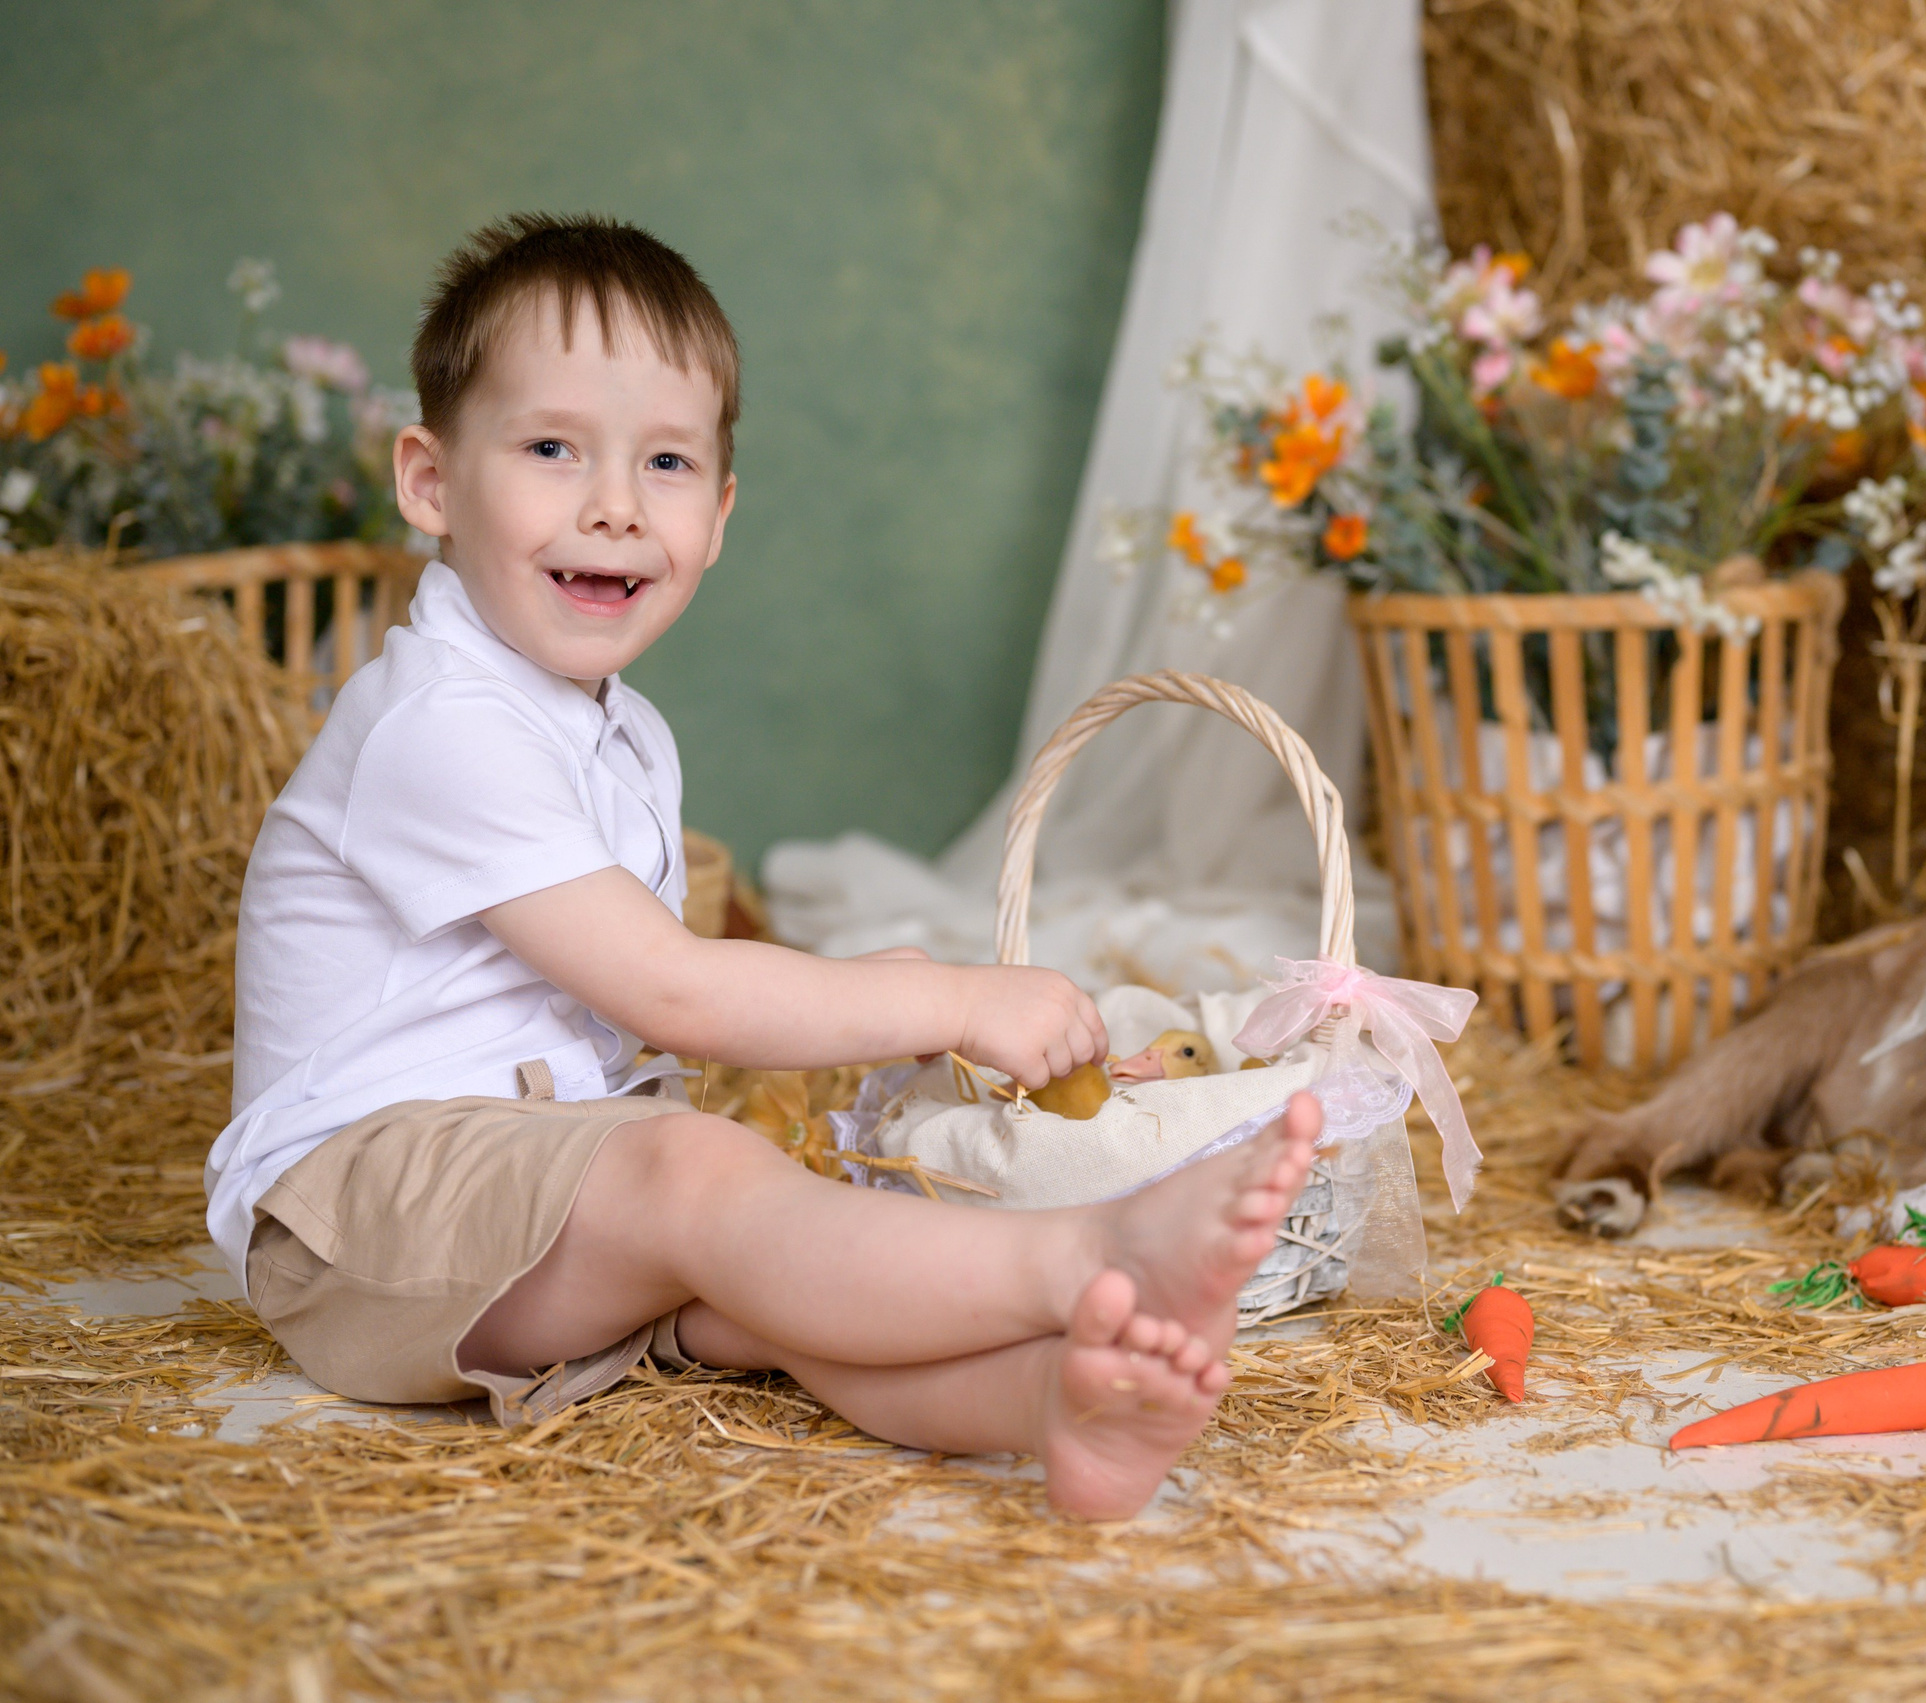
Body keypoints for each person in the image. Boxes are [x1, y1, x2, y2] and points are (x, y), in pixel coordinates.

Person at [206, 213, 1317, 1520]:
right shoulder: (436, 721)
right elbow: (672, 994)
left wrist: (870, 989)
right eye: (552, 447)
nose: (614, 503)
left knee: (774, 1279)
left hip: (537, 1193)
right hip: (358, 1225)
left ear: (719, 514)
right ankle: (1088, 1256)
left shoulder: (618, 732)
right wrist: (945, 998)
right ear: (432, 480)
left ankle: (1050, 1403)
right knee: (700, 1180)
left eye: (666, 462)